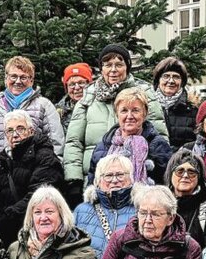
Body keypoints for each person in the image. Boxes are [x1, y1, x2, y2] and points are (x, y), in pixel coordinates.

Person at [63, 44, 167, 199]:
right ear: (101, 69)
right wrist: (74, 179)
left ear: (127, 67)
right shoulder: (88, 97)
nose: (113, 70)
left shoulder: (144, 94)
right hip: (94, 179)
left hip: (141, 182)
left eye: (119, 65)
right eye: (108, 65)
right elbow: (74, 142)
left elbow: (159, 135)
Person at [0, 110, 64, 246]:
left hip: (33, 231)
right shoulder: (4, 161)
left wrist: (5, 218)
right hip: (4, 230)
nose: (15, 135)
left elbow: (38, 197)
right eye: (10, 131)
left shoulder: (45, 156)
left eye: (20, 129)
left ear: (31, 131)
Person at [87, 88, 172, 187]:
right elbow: (93, 184)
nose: (129, 116)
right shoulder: (103, 146)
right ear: (117, 114)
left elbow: (166, 184)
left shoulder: (158, 145)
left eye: (135, 110)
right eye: (124, 111)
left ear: (145, 113)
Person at [0, 56, 65, 158]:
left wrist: (52, 166)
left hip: (35, 167)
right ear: (6, 78)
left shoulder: (44, 105)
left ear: (31, 80)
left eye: (23, 77)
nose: (18, 81)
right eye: (13, 76)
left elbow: (56, 144)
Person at [72, 154, 136, 257]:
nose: (114, 180)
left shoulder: (141, 209)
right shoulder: (81, 211)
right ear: (98, 181)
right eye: (108, 176)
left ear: (131, 179)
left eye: (120, 175)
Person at [166, 149, 206, 247]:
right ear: (170, 175)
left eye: (191, 172)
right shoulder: (160, 206)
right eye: (180, 171)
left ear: (199, 178)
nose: (185, 176)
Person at [151, 57, 198, 149]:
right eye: (166, 76)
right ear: (158, 80)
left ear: (182, 82)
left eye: (176, 77)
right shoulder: (148, 106)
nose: (171, 81)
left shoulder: (192, 109)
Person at [57, 62, 92, 133]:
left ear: (89, 84)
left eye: (81, 83)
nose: (77, 87)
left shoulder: (98, 106)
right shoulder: (57, 111)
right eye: (72, 84)